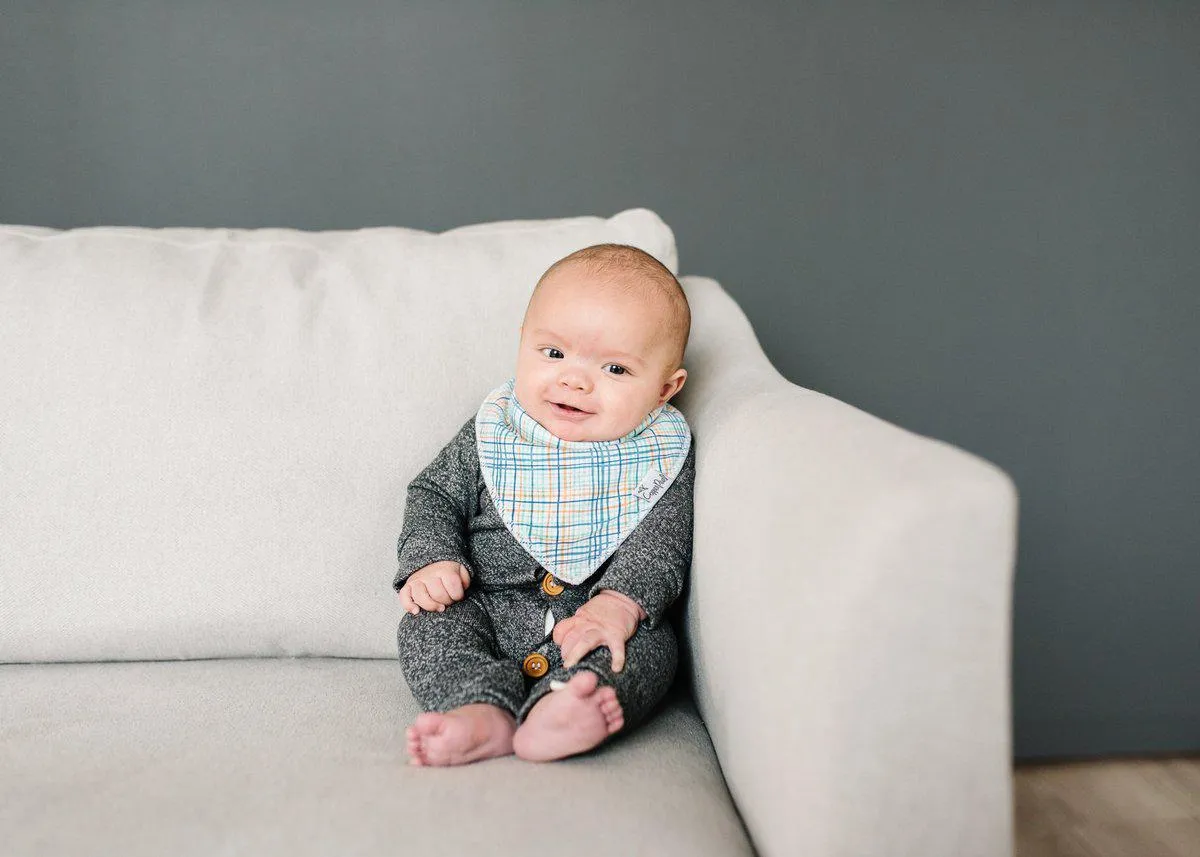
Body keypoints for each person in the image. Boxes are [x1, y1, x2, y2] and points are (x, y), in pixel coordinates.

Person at [394, 243, 694, 766]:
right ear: (522, 344)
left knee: (647, 648)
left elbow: (664, 538)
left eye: (616, 369)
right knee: (427, 622)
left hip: (596, 615)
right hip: (486, 607)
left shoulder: (658, 454)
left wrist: (622, 602)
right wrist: (431, 558)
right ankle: (479, 708)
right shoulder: (496, 432)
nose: (574, 380)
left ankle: (571, 709)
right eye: (553, 353)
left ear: (666, 388)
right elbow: (434, 493)